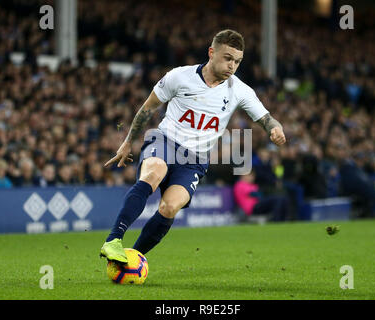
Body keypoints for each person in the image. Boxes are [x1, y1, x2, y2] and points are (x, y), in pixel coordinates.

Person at [100, 29, 286, 264]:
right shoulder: (179, 77)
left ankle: (131, 259)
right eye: (228, 58)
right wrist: (127, 142)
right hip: (165, 141)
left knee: (170, 207)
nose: (232, 66)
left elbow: (267, 118)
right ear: (211, 52)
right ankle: (114, 239)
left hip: (195, 159)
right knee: (153, 173)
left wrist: (275, 128)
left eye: (237, 61)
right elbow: (147, 109)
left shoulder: (240, 90)